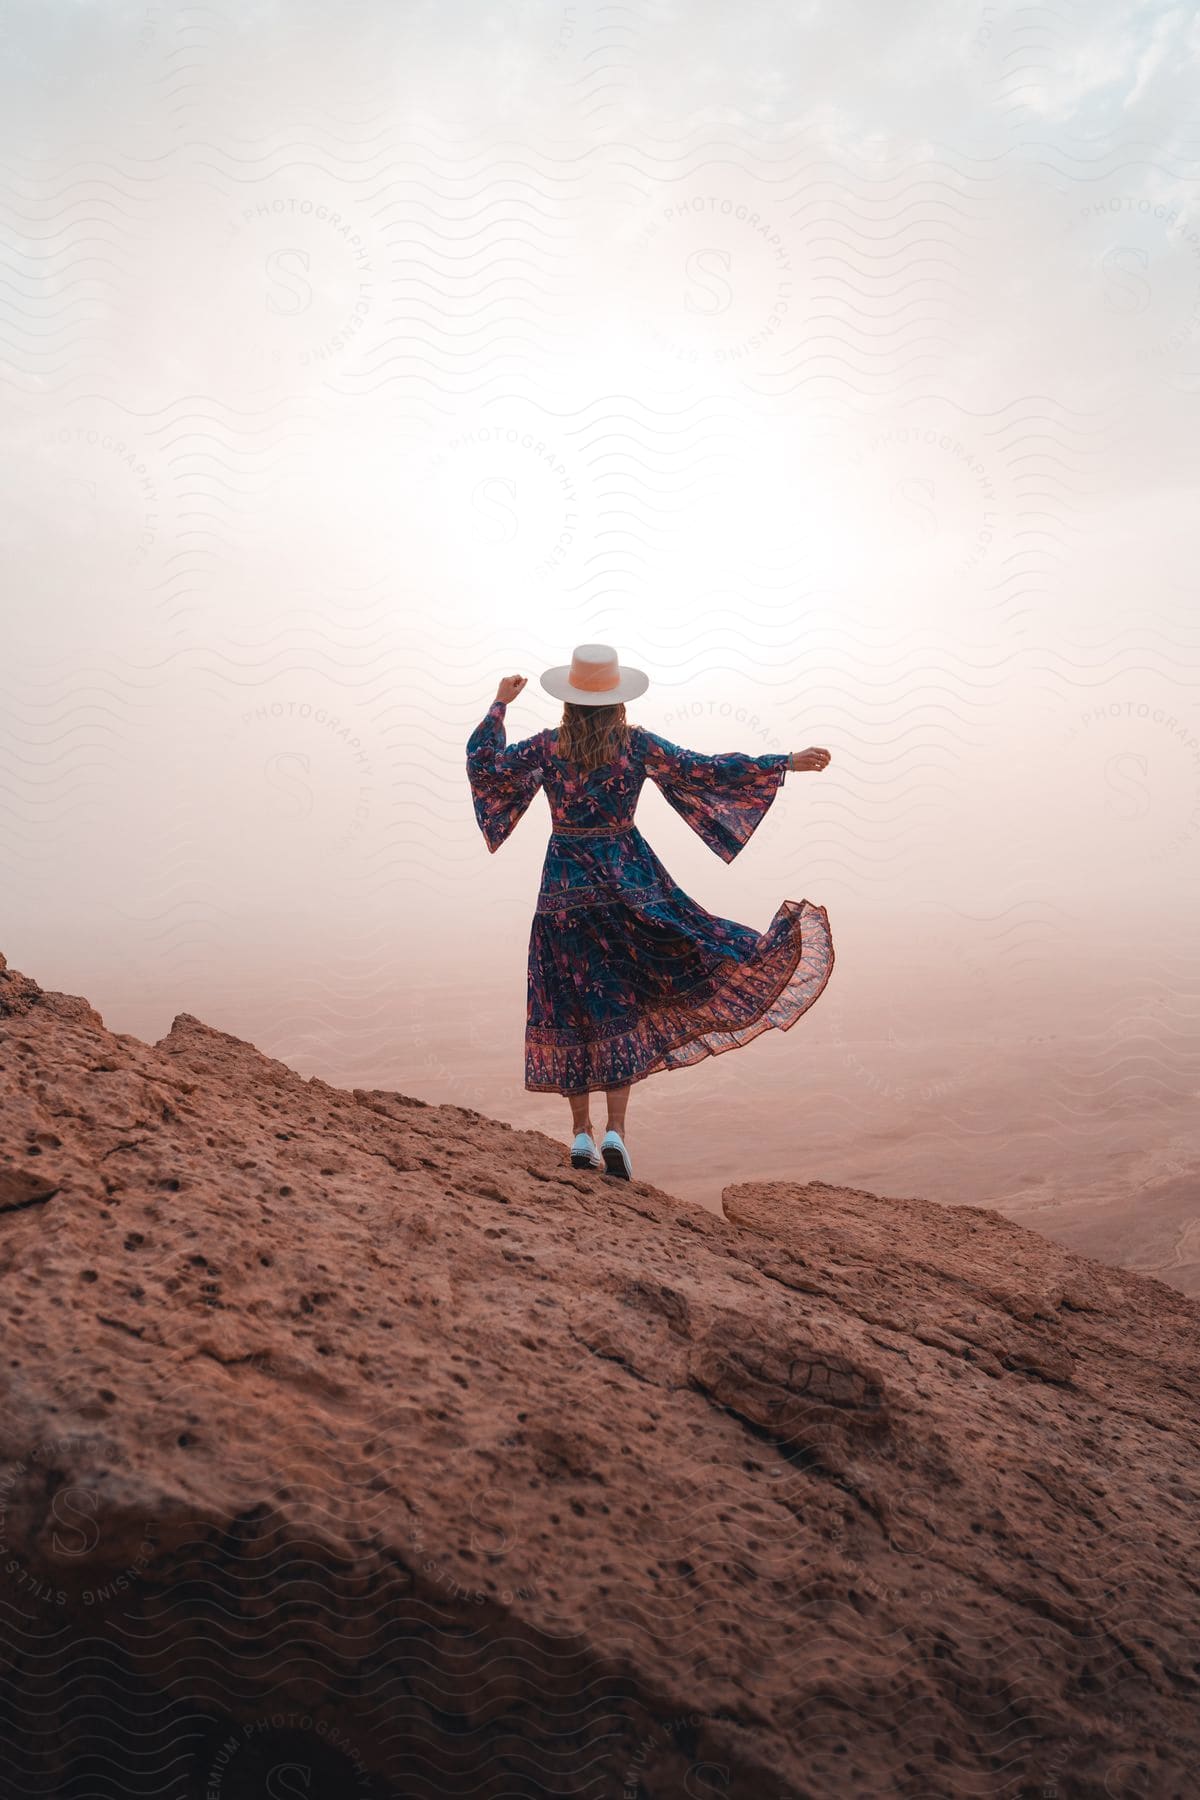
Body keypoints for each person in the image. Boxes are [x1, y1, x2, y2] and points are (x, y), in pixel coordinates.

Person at [465, 643, 834, 1181]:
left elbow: (484, 766)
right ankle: (616, 1131)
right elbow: (704, 769)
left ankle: (581, 1137)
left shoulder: (546, 747)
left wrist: (499, 705)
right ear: (617, 701)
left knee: (567, 1004)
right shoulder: (634, 745)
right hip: (628, 884)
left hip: (563, 888)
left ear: (568, 701)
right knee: (621, 1001)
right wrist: (784, 762)